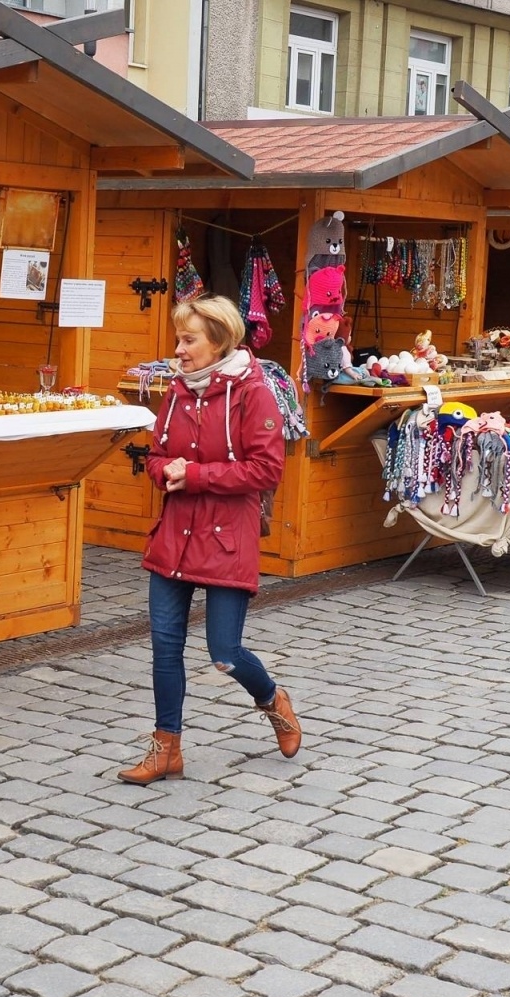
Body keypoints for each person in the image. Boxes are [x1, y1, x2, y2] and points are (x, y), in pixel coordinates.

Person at [119, 294, 299, 785]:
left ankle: (272, 700)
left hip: (226, 540)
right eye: (178, 338)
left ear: (218, 342)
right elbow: (155, 455)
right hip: (174, 537)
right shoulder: (177, 391)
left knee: (224, 653)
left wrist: (194, 475)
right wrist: (166, 471)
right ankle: (166, 751)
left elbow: (267, 468)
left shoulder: (253, 393)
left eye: (188, 339)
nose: (178, 349)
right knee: (164, 647)